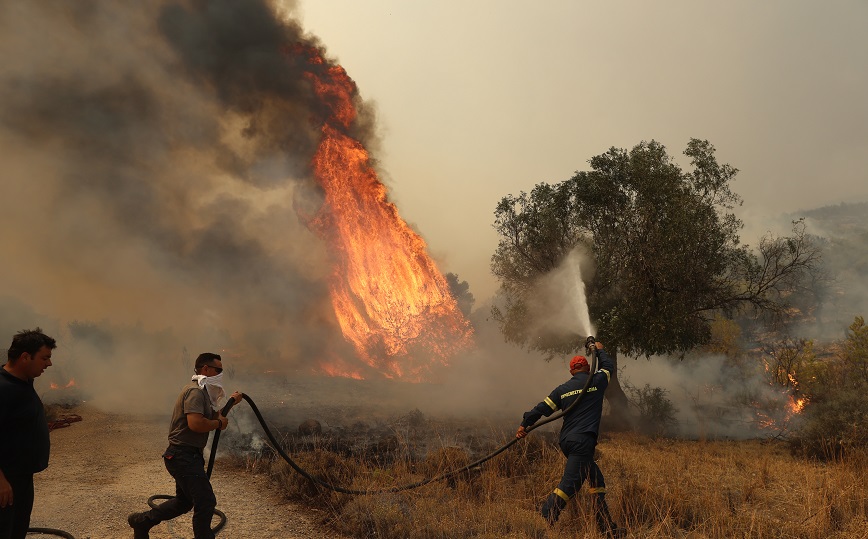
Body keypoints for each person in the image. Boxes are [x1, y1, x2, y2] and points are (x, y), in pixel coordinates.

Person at [516, 339, 626, 538]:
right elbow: (608, 367)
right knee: (570, 484)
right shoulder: (597, 381)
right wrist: (600, 351)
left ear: (571, 372)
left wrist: (525, 424)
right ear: (587, 368)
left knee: (596, 480)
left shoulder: (562, 390)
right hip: (583, 442)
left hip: (567, 441)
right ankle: (544, 517)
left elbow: (541, 409)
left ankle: (607, 528)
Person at [128, 352, 242, 539]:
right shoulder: (195, 392)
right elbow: (196, 424)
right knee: (205, 501)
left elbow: (211, 417)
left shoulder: (203, 392)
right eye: (218, 370)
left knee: (184, 502)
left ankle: (142, 522)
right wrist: (219, 424)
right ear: (205, 369)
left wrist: (231, 403)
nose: (221, 373)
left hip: (186, 456)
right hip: (183, 456)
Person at [0, 328, 57, 539]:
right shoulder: (3, 388)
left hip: (22, 477)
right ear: (25, 357)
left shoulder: (24, 381)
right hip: (6, 481)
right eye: (45, 358)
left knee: (18, 529)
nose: (49, 364)